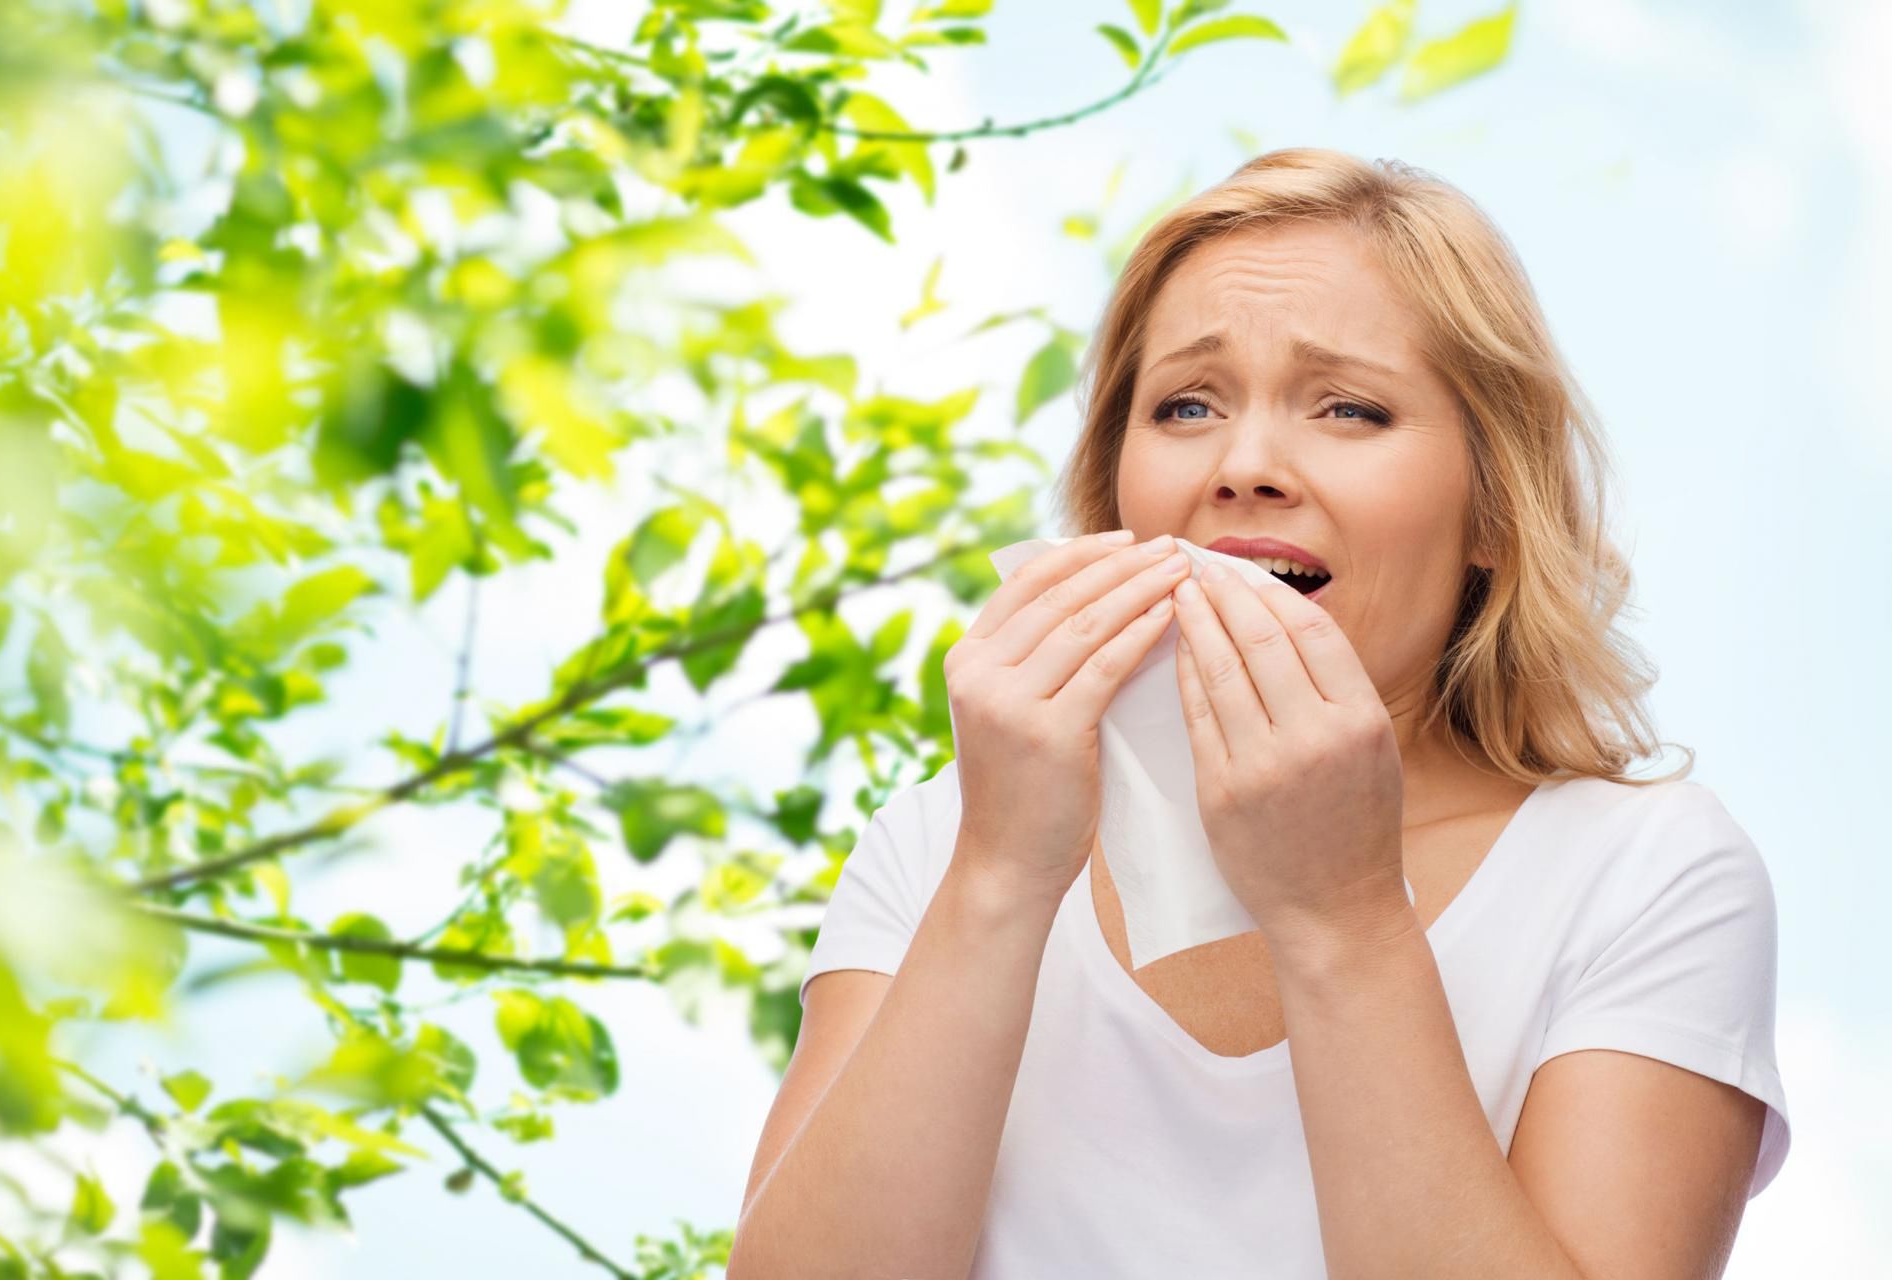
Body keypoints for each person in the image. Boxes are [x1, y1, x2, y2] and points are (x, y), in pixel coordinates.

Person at [728, 148, 1789, 1279]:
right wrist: (997, 875)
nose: (1245, 466)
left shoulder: (1647, 873)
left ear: (1493, 507)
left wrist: (1341, 913)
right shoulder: (944, 840)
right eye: (1185, 404)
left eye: (1350, 408)